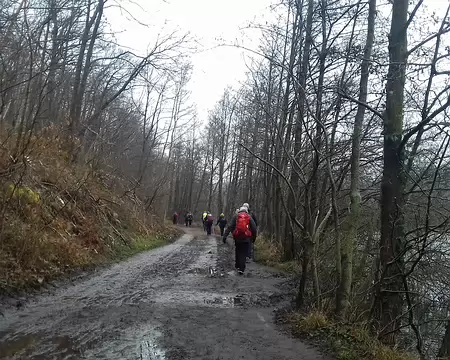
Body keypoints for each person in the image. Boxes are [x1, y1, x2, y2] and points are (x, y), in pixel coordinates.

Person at [222, 207, 257, 275]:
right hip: (246, 238)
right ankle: (241, 269)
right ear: (246, 211)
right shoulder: (249, 217)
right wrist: (253, 238)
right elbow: (254, 228)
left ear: (240, 211)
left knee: (238, 251)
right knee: (243, 253)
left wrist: (224, 236)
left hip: (237, 238)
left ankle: (237, 266)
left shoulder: (236, 216)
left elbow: (230, 226)